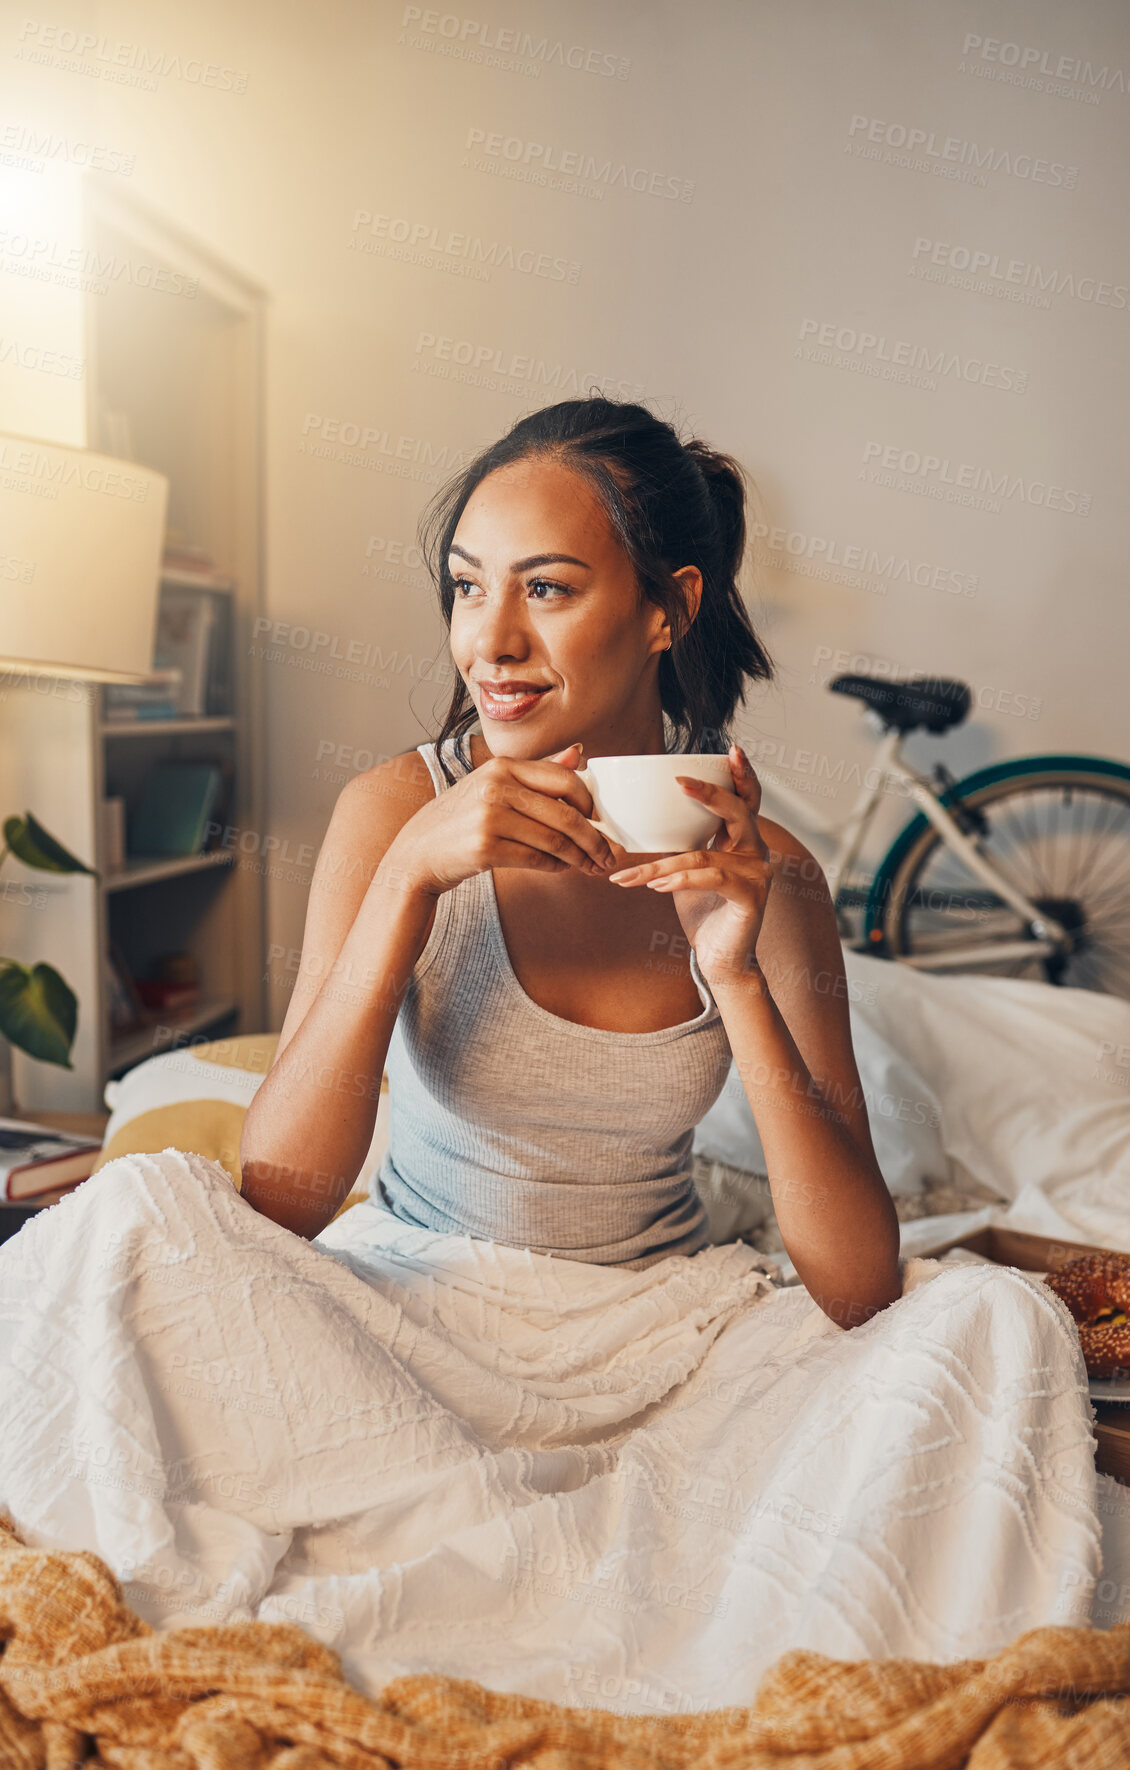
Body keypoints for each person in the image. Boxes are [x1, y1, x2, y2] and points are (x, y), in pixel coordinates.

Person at [239, 397, 902, 1324]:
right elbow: (278, 1202)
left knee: (993, 1326)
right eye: (469, 587)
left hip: (660, 1316)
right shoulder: (393, 814)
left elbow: (862, 1286)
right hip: (425, 1303)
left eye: (545, 588)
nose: (491, 643)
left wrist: (734, 975)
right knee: (126, 1240)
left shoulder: (766, 876)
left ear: (670, 607)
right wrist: (408, 879)